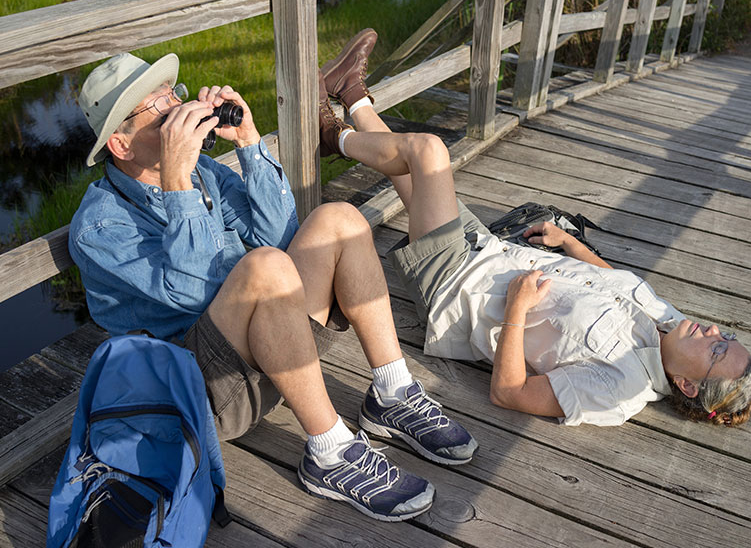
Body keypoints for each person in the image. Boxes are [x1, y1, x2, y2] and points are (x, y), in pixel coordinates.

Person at [68, 29, 478, 523]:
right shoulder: (100, 225)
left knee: (339, 220)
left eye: (172, 95)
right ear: (120, 143)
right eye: (156, 108)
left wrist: (248, 143)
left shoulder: (204, 174)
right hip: (200, 396)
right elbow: (195, 292)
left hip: (271, 356)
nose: (176, 110)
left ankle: (393, 393)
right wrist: (178, 185)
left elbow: (281, 234)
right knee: (264, 268)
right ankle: (329, 451)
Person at [375, 111, 751, 429]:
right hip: (492, 251)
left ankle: (335, 134)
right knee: (411, 168)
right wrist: (572, 244)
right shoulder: (670, 326)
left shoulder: (618, 388)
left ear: (687, 386)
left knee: (427, 153)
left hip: (457, 286)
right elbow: (618, 287)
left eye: (716, 349)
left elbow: (509, 393)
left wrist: (516, 310)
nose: (712, 330)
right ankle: (353, 98)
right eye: (724, 334)